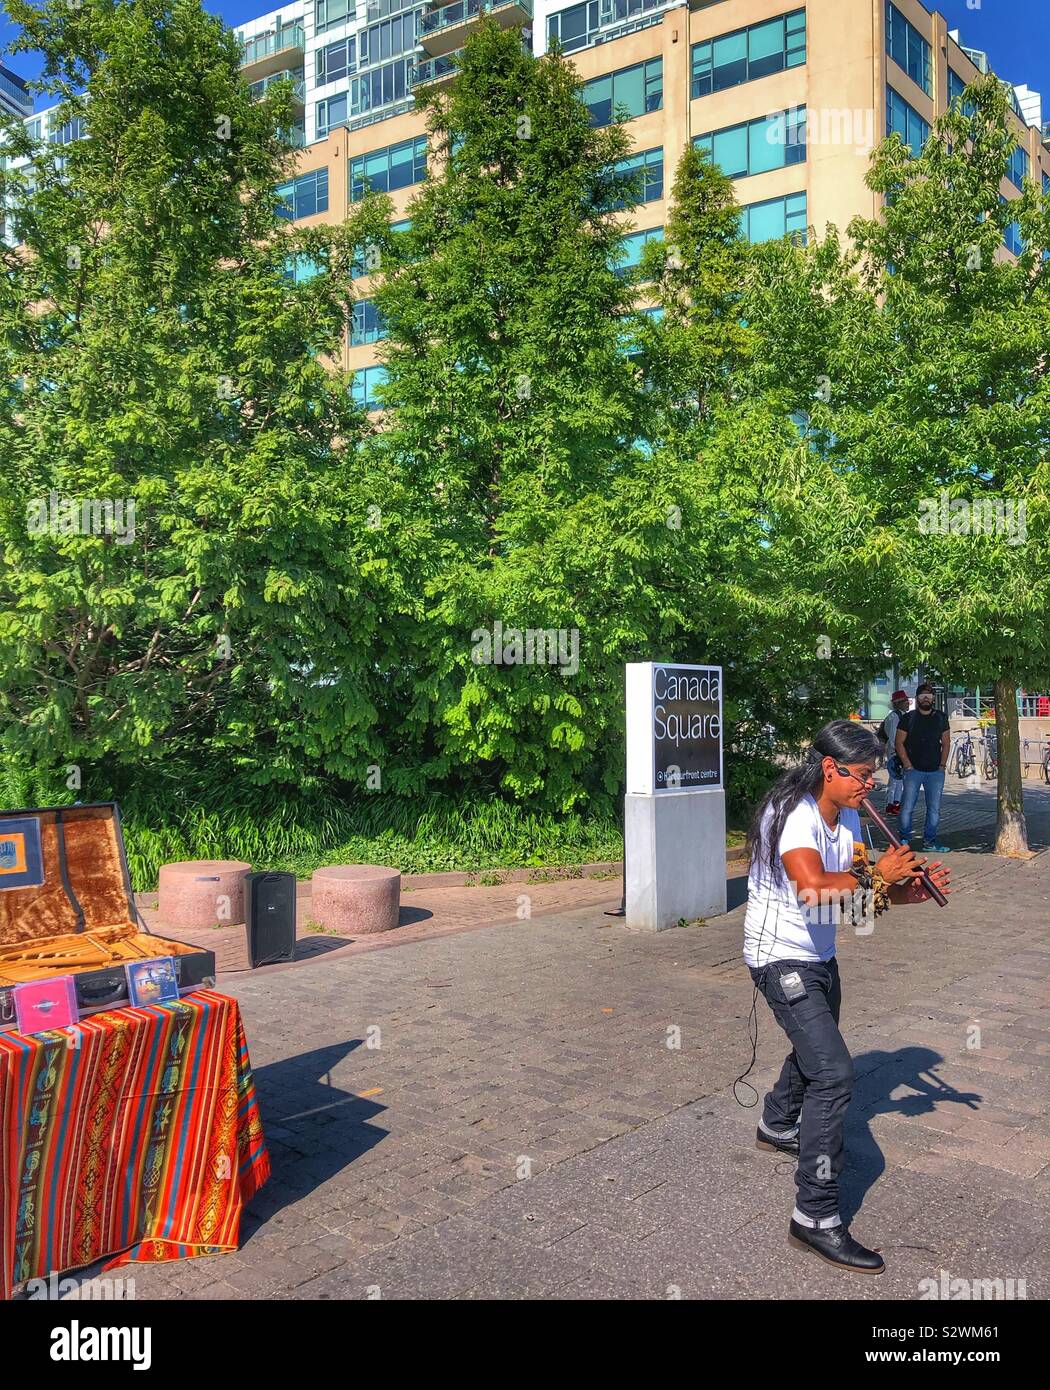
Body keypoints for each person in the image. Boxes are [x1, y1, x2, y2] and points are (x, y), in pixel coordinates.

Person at [743, 719, 951, 1274]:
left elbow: (853, 902)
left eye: (875, 775)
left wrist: (901, 893)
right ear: (830, 769)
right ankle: (814, 1217)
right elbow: (812, 889)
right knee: (833, 1071)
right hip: (780, 956)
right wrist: (879, 875)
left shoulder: (851, 816)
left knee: (817, 1051)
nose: (871, 785)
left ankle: (776, 1122)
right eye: (862, 775)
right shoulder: (792, 816)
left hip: (820, 955)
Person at [894, 683, 951, 853]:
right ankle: (903, 841)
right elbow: (899, 742)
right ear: (917, 699)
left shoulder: (941, 717)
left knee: (934, 809)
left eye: (929, 695)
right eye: (922, 695)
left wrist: (942, 765)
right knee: (907, 806)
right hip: (913, 771)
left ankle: (930, 842)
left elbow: (946, 743)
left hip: (935, 771)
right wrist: (907, 764)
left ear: (933, 698)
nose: (926, 698)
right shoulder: (908, 718)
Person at [876, 690, 910, 815]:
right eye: (905, 701)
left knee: (899, 778)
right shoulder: (894, 717)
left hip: (898, 751)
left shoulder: (900, 716)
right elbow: (893, 736)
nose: (908, 704)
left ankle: (896, 802)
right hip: (895, 751)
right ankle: (891, 803)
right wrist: (897, 752)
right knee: (895, 778)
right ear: (898, 703)